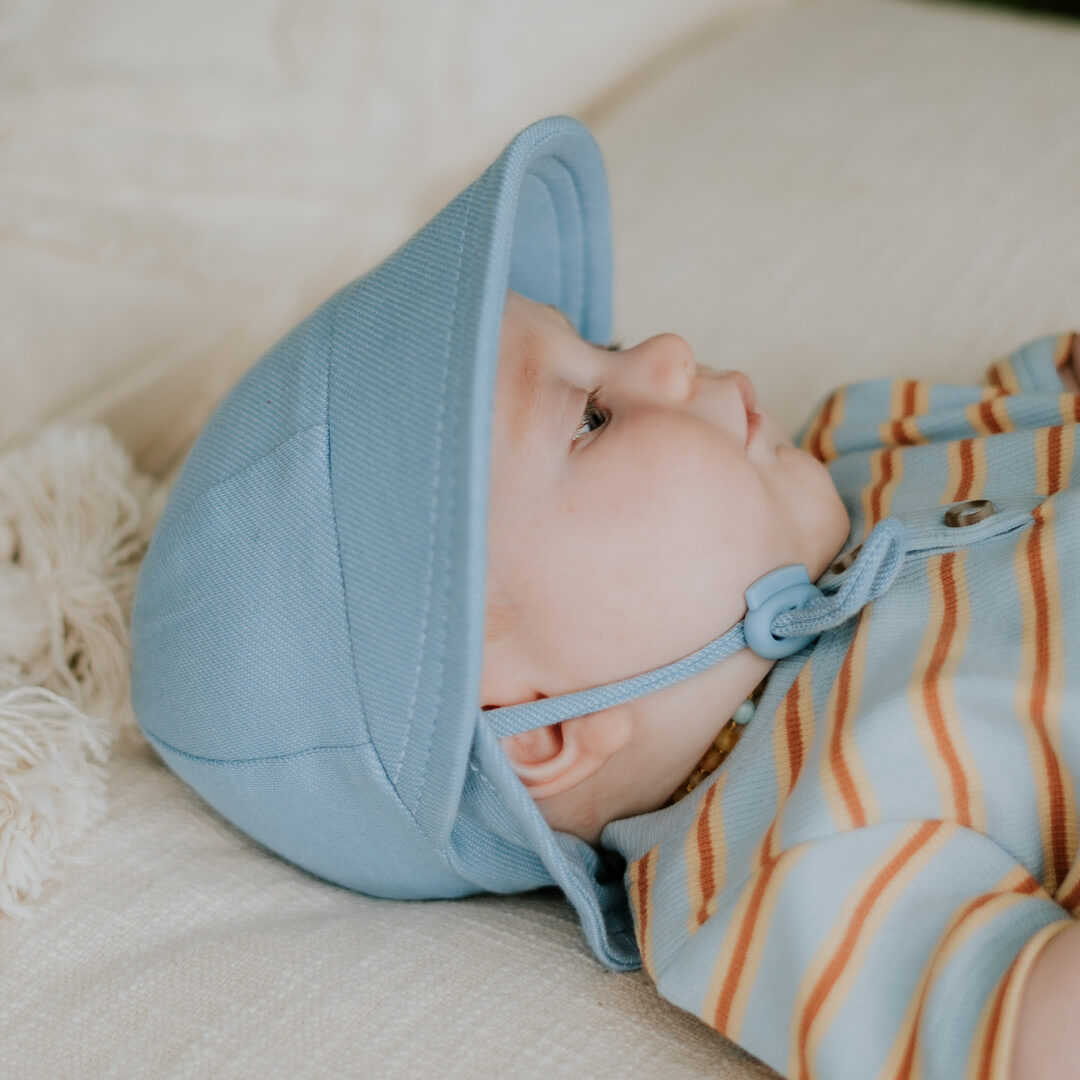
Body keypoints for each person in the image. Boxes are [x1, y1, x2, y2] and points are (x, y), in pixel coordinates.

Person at [129, 114, 1080, 1079]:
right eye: (591, 416)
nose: (666, 350)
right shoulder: (777, 863)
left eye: (607, 344)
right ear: (541, 730)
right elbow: (1031, 1035)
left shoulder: (862, 445)